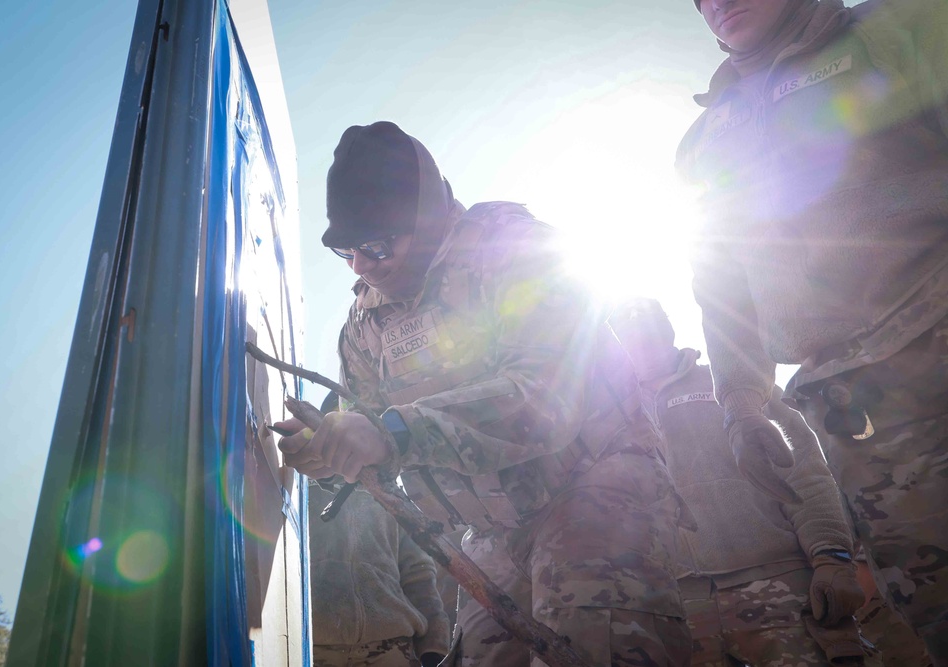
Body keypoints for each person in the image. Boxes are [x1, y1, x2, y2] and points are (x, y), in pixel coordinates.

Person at [275, 121, 691, 666]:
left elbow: (546, 397)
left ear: (423, 221)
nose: (362, 266)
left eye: (375, 245)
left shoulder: (516, 250)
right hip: (493, 526)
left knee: (598, 644)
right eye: (347, 252)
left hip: (594, 484)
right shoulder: (364, 321)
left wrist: (390, 433)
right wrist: (327, 450)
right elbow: (364, 427)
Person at [676, 0, 948, 661]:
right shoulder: (705, 139)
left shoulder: (899, 30)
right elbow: (723, 286)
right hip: (853, 416)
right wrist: (741, 402)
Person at [611, 298, 867, 666]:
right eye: (628, 336)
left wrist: (832, 556)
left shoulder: (735, 387)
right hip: (677, 607)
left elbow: (804, 470)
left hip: (779, 587)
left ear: (667, 330)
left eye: (648, 330)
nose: (641, 342)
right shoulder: (610, 418)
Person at [308, 391, 450, 667]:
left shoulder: (394, 501)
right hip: (316, 651)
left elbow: (419, 576)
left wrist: (434, 649)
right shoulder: (300, 494)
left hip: (392, 651)